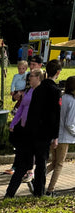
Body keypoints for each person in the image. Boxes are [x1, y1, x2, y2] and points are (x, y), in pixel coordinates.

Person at [25, 58, 62, 197]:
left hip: (34, 129)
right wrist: (55, 136)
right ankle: (39, 191)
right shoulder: (55, 90)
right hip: (46, 131)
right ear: (58, 72)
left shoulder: (38, 89)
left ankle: (36, 187)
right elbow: (55, 115)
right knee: (42, 161)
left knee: (35, 161)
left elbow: (32, 111)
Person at [4, 69, 43, 199]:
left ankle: (12, 192)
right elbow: (21, 109)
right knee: (23, 163)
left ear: (38, 78)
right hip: (24, 130)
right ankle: (19, 189)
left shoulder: (41, 92)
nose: (28, 79)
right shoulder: (28, 91)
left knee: (24, 164)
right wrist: (13, 123)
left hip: (34, 133)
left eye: (31, 76)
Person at [46, 75, 75, 195]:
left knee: (53, 162)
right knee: (59, 164)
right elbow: (69, 123)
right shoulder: (72, 101)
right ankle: (50, 190)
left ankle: (36, 179)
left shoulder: (62, 97)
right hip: (64, 137)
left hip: (55, 135)